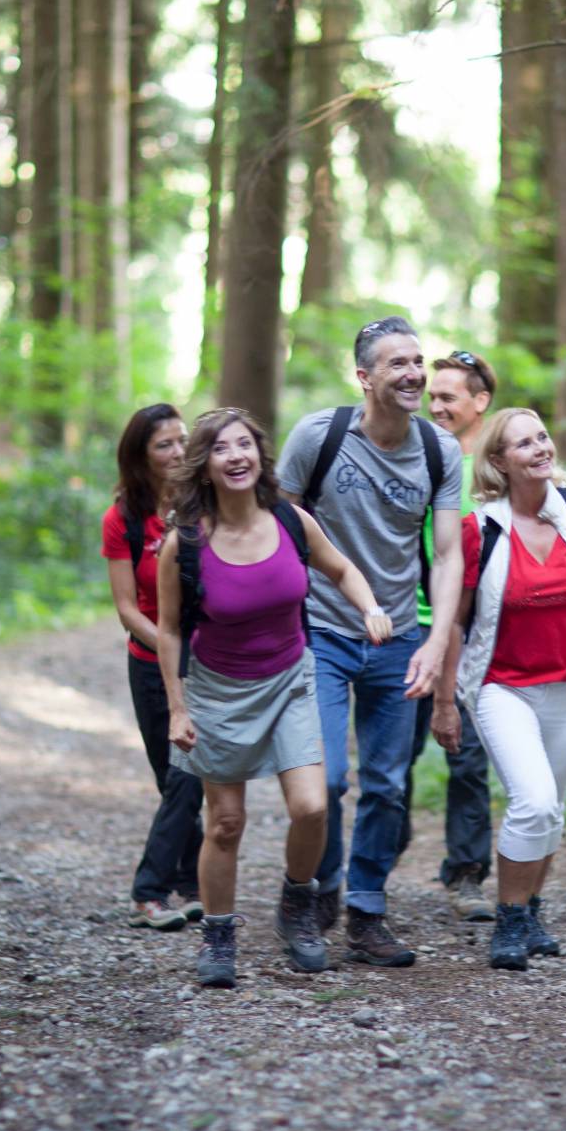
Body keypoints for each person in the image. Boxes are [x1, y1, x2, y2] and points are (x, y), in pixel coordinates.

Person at [153, 408, 393, 988]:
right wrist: (179, 707)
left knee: (313, 805)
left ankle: (297, 907)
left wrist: (370, 606)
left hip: (290, 679)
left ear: (260, 455)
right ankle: (218, 935)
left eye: (245, 445)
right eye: (220, 449)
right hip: (218, 690)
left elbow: (340, 568)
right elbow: (168, 629)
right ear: (204, 466)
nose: (236, 457)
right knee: (227, 822)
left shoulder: (291, 519)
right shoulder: (183, 544)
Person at [277, 316, 464, 968]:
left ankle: (365, 912)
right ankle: (312, 892)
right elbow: (277, 518)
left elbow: (446, 557)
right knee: (325, 779)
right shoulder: (317, 436)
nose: (415, 374)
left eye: (419, 361)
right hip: (320, 631)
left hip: (399, 640)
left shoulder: (442, 451)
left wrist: (437, 643)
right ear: (364, 376)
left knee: (388, 784)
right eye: (398, 364)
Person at [433, 408, 566, 971]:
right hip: (503, 688)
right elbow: (454, 619)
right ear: (499, 461)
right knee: (534, 800)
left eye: (543, 436)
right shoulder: (482, 529)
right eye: (524, 443)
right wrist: (446, 700)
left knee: (553, 809)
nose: (540, 448)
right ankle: (510, 919)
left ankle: (533, 907)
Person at [402, 350, 497, 922]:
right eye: (432, 397)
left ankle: (466, 874)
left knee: (468, 755)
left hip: (482, 632)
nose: (435, 406)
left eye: (448, 398)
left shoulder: (499, 464)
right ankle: (381, 857)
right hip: (413, 624)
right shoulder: (412, 455)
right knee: (398, 752)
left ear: (480, 402)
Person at [103, 403, 204, 931]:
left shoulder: (204, 505)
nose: (178, 452)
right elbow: (126, 608)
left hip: (210, 666)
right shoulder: (122, 518)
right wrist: (171, 650)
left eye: (183, 440)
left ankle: (151, 889)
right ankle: (190, 884)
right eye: (164, 444)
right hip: (149, 664)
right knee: (174, 777)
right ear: (141, 455)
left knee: (189, 776)